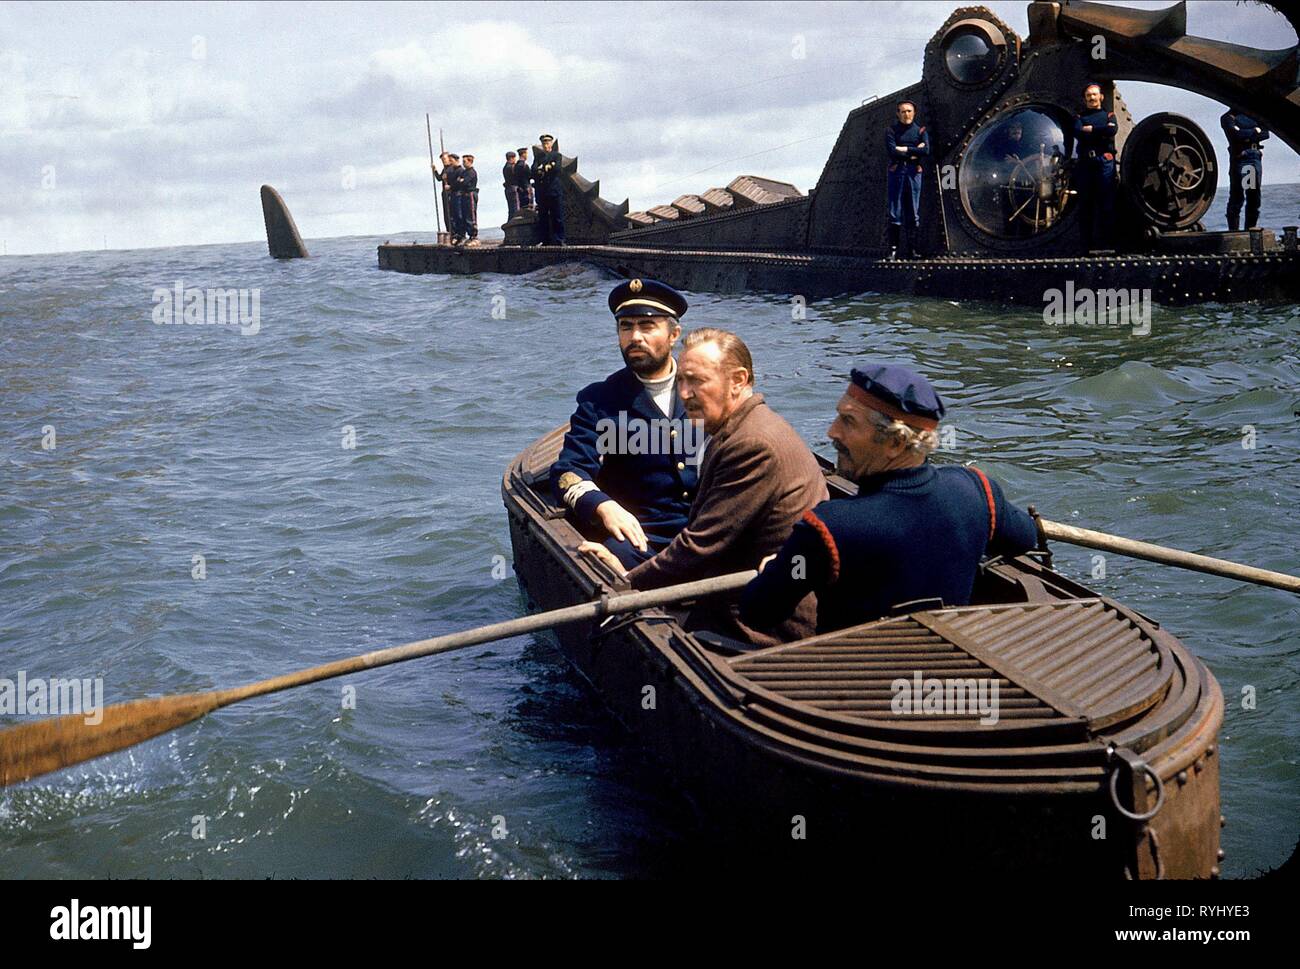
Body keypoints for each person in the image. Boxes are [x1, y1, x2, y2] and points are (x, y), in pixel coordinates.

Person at [739, 364, 1038, 637]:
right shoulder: (975, 489)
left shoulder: (829, 528)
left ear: (895, 443)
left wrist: (775, 569)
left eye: (847, 421)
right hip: (948, 668)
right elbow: (1025, 537)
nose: (832, 431)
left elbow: (759, 612)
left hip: (858, 684)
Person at [579, 327, 829, 648]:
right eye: (681, 380)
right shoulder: (746, 428)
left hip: (759, 626)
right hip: (747, 597)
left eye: (696, 381)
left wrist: (626, 583)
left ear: (738, 381)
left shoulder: (751, 444)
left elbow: (701, 548)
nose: (684, 393)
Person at [552, 279, 701, 570]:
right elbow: (568, 471)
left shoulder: (704, 388)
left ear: (674, 335)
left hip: (710, 528)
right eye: (626, 327)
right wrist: (602, 506)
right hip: (642, 539)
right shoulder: (600, 400)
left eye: (647, 327)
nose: (635, 337)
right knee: (607, 568)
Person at [1073, 83, 1118, 252]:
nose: (1092, 98)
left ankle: (1107, 244)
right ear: (1085, 99)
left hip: (1104, 162)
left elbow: (1111, 130)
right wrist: (1100, 130)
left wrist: (1090, 129)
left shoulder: (1109, 115)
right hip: (1086, 163)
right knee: (1086, 205)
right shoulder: (1079, 117)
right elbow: (1077, 131)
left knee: (1106, 203)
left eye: (1094, 94)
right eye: (1088, 95)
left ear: (1101, 97)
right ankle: (1086, 245)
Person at [885, 101, 929, 259]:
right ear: (898, 114)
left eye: (909, 111)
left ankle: (913, 250)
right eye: (903, 112)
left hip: (913, 172)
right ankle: (893, 250)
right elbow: (892, 151)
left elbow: (926, 150)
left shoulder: (921, 130)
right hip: (897, 171)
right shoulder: (891, 131)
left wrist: (904, 148)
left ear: (914, 112)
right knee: (894, 210)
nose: (907, 114)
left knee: (913, 211)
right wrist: (914, 151)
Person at [1221, 107, 1270, 231]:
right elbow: (1235, 135)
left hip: (1252, 156)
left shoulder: (1254, 115)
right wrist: (1254, 131)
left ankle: (1250, 230)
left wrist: (1245, 133)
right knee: (1238, 196)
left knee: (1253, 195)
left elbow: (1265, 133)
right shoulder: (1228, 117)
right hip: (1241, 157)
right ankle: (1233, 231)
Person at [531, 134, 566, 245]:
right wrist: (546, 167)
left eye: (547, 143)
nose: (546, 145)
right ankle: (545, 240)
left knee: (557, 216)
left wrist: (545, 168)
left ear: (551, 144)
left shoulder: (556, 156)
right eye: (544, 143)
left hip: (554, 190)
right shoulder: (538, 157)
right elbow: (534, 171)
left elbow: (557, 169)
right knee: (543, 217)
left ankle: (560, 239)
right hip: (542, 192)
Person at [434, 152, 459, 242]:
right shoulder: (445, 169)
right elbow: (440, 178)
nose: (443, 161)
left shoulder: (452, 169)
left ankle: (455, 234)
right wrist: (435, 170)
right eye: (442, 160)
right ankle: (450, 232)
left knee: (452, 214)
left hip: (450, 193)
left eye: (444, 159)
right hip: (445, 193)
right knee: (446, 214)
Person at [458, 154, 480, 246]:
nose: (463, 163)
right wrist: (461, 181)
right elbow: (459, 181)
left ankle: (474, 237)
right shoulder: (464, 172)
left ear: (470, 161)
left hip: (470, 194)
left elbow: (465, 182)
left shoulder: (471, 172)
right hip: (465, 194)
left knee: (471, 215)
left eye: (465, 161)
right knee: (465, 215)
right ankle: (468, 236)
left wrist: (462, 181)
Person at [503, 151, 520, 219]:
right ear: (511, 158)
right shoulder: (512, 167)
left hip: (508, 189)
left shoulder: (505, 167)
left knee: (511, 208)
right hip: (513, 188)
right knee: (516, 207)